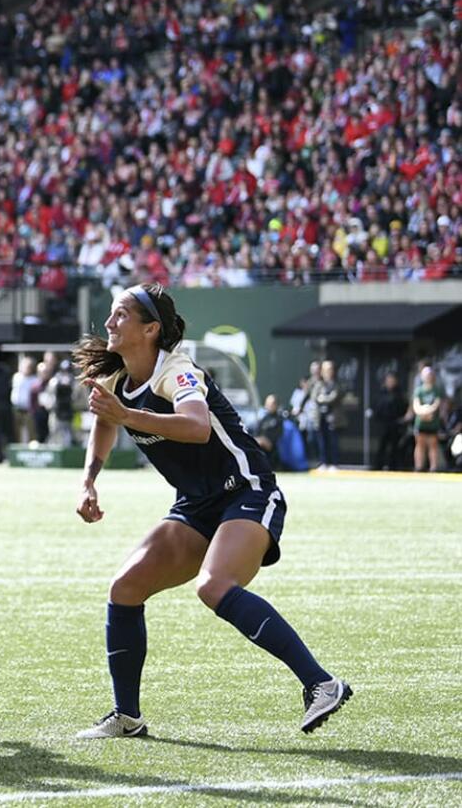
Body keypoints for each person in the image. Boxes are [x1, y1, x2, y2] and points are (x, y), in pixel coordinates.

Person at [72, 283, 351, 738]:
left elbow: (198, 427)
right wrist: (89, 480)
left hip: (247, 489)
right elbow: (105, 421)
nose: (109, 323)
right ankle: (127, 717)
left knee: (214, 585)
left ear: (151, 329)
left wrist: (126, 416)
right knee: (125, 587)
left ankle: (322, 683)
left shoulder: (176, 369)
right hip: (196, 503)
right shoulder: (118, 377)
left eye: (121, 315)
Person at [371, 372, 408, 471]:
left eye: (392, 380)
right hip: (383, 423)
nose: (390, 382)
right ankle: (378, 466)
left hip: (395, 423)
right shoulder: (381, 393)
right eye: (389, 380)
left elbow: (403, 407)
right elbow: (376, 407)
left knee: (394, 446)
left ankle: (393, 466)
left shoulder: (399, 394)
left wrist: (401, 420)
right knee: (381, 446)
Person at [311, 360, 341, 470]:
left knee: (332, 441)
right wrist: (322, 399)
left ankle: (334, 463)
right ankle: (323, 462)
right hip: (320, 418)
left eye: (329, 369)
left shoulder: (336, 384)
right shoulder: (319, 384)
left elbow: (334, 397)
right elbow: (314, 397)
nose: (327, 372)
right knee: (322, 442)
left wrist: (323, 398)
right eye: (325, 370)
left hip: (332, 418)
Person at [412, 365, 442, 472]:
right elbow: (415, 406)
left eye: (430, 375)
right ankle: (419, 467)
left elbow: (437, 404)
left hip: (432, 422)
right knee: (420, 444)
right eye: (426, 375)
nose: (428, 377)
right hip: (421, 422)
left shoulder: (436, 390)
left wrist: (429, 412)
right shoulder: (419, 391)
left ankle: (433, 468)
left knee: (433, 445)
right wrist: (422, 413)